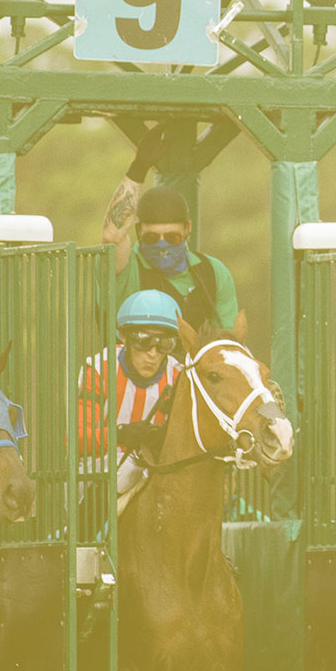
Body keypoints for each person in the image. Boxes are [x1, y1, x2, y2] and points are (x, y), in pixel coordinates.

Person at [103, 127, 238, 331]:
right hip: (130, 361)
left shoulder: (213, 271)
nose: (162, 244)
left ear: (187, 230)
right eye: (151, 238)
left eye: (172, 237)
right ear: (139, 231)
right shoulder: (126, 268)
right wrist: (138, 168)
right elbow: (112, 235)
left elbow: (227, 341)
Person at [78, 289, 182, 500]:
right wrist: (121, 434)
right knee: (127, 471)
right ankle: (84, 531)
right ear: (123, 336)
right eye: (143, 341)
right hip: (98, 471)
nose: (153, 353)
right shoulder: (98, 370)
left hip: (154, 469)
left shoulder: (178, 375)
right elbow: (77, 440)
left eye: (164, 343)